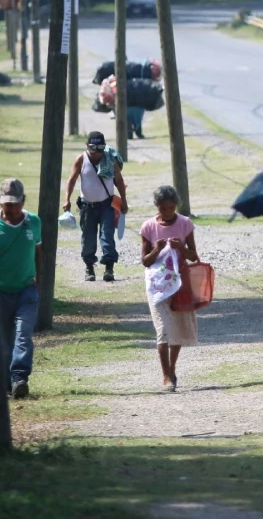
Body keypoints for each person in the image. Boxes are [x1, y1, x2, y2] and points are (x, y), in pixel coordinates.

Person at [140, 185, 199, 392]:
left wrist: (181, 247)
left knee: (177, 330)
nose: (167, 212)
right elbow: (145, 261)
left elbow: (194, 256)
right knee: (163, 330)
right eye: (163, 208)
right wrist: (157, 249)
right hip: (157, 286)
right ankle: (165, 376)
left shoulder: (185, 224)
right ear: (156, 206)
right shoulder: (148, 227)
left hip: (180, 284)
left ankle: (172, 369)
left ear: (176, 206)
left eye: (171, 208)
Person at [0, 178, 43, 399]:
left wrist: (38, 280)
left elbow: (39, 252)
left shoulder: (34, 222)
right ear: (0, 202)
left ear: (23, 201)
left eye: (15, 203)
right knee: (3, 339)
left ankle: (19, 378)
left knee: (23, 334)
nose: (12, 208)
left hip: (26, 291)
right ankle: (5, 383)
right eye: (7, 203)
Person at [64, 132, 129, 282]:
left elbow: (119, 181)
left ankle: (109, 269)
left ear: (104, 147)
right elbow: (72, 180)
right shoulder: (81, 159)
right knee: (88, 239)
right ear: (87, 146)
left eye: (100, 149)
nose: (96, 153)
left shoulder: (110, 160)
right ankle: (89, 268)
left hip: (107, 205)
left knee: (107, 237)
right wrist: (66, 199)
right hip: (87, 207)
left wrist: (124, 201)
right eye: (93, 149)